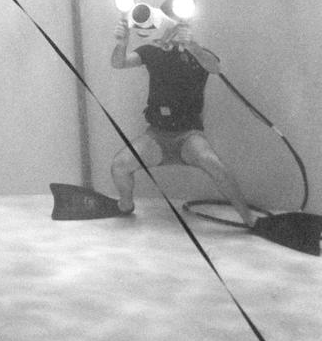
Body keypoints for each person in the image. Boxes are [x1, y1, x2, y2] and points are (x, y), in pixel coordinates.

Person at [109, 12, 256, 227]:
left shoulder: (197, 52)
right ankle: (125, 205)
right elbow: (118, 63)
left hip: (189, 135)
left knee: (215, 165)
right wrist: (122, 42)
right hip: (156, 134)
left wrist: (192, 46)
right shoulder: (150, 50)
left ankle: (250, 220)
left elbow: (215, 67)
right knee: (120, 165)